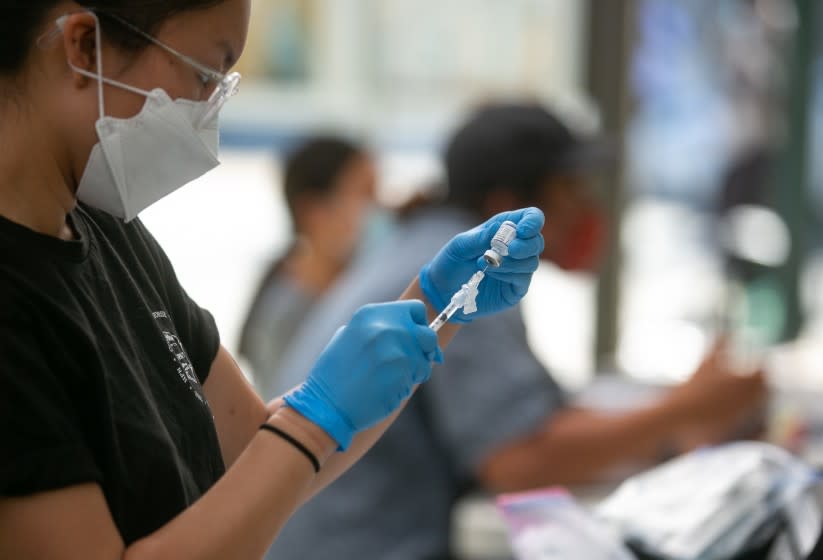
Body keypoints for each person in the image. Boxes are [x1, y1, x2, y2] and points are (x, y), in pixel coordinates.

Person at [0, 4, 546, 558]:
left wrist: (437, 305)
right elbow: (291, 443)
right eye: (206, 75)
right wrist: (313, 422)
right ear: (84, 46)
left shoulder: (106, 231)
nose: (208, 115)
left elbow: (256, 458)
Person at [266, 103, 769, 560]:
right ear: (508, 204)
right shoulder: (463, 270)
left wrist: (673, 426)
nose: (585, 208)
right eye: (568, 190)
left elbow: (534, 417)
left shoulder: (433, 245)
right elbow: (518, 458)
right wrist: (687, 410)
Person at [239, 135, 380, 397]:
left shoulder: (360, 288)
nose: (380, 208)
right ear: (314, 211)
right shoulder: (286, 314)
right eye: (365, 194)